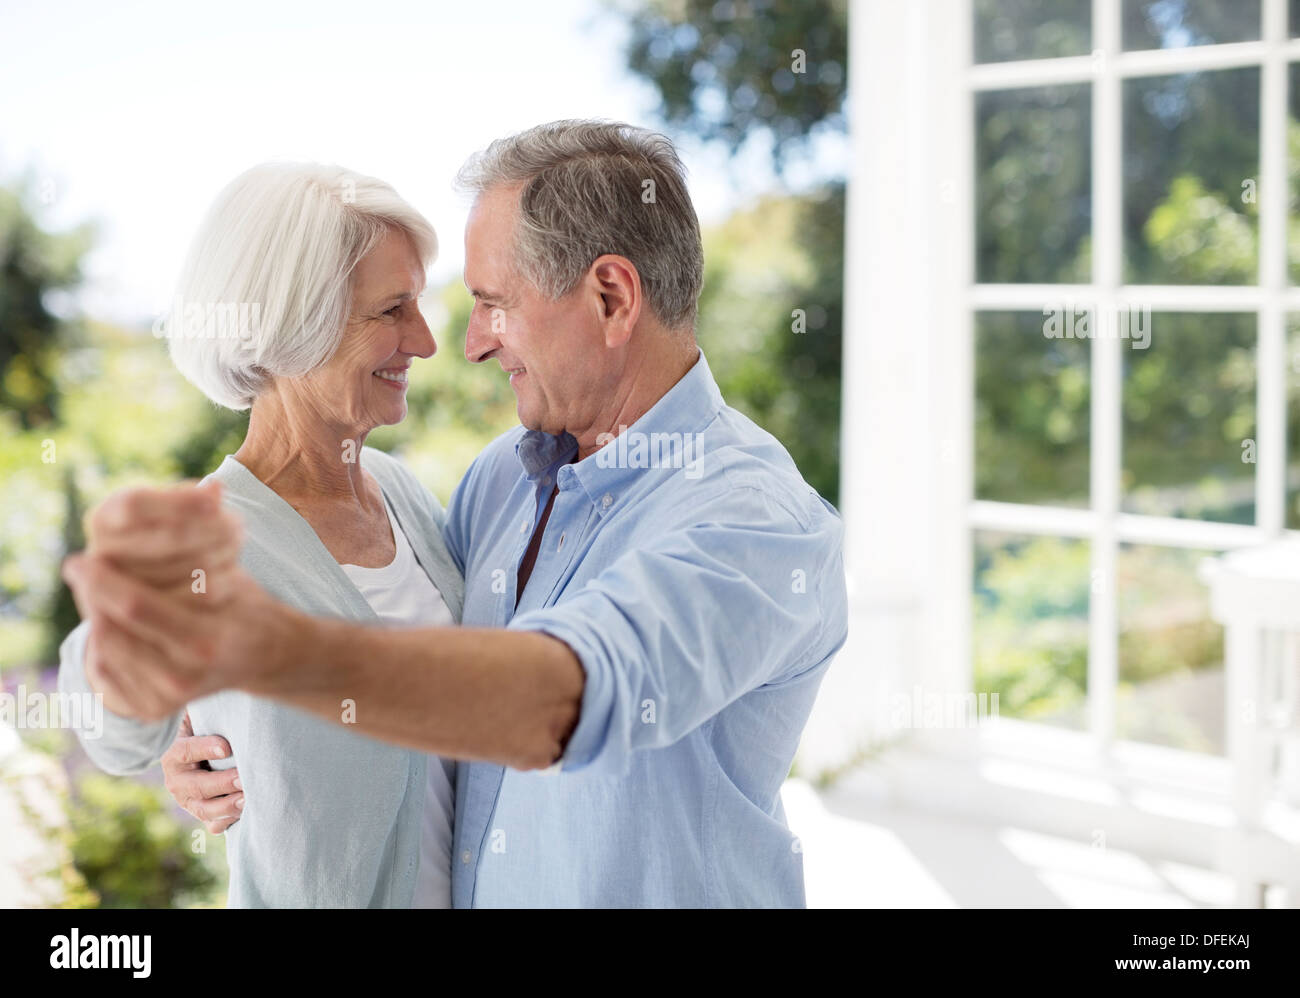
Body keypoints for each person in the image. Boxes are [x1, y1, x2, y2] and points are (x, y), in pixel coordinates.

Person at [62, 119, 848, 908]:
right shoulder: (503, 480)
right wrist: (180, 742)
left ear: (611, 298)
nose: (457, 344)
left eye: (491, 303)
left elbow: (562, 698)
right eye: (395, 309)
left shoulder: (757, 522)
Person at [58, 162, 463, 908]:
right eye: (393, 310)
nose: (427, 340)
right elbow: (111, 729)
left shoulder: (405, 496)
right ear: (292, 324)